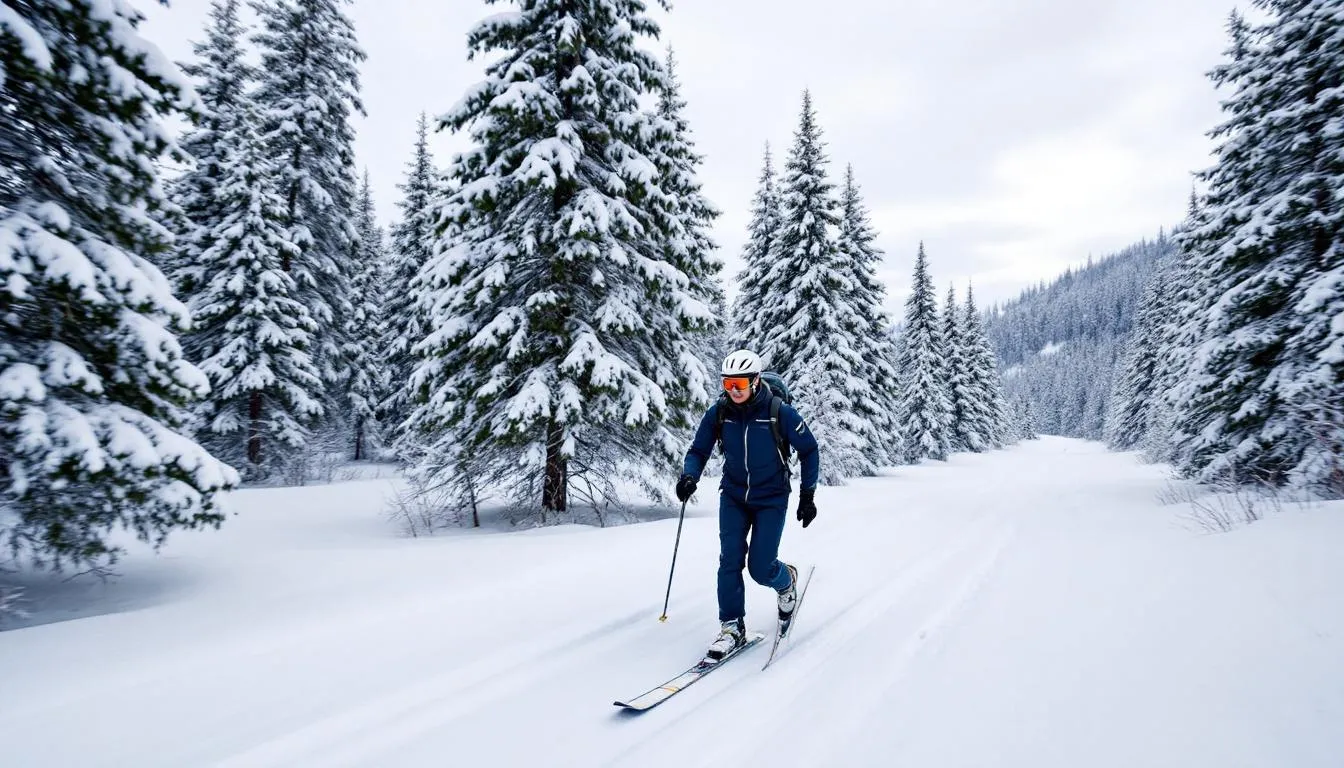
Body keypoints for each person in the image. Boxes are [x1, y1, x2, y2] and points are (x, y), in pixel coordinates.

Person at [676, 349, 820, 660]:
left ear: (755, 381)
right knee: (729, 560)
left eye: (740, 383)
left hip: (771, 498)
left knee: (760, 567)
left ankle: (786, 582)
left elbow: (809, 450)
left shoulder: (778, 412)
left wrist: (807, 495)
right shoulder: (719, 413)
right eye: (729, 385)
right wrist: (690, 475)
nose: (735, 391)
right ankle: (731, 627)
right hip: (734, 496)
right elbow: (698, 450)